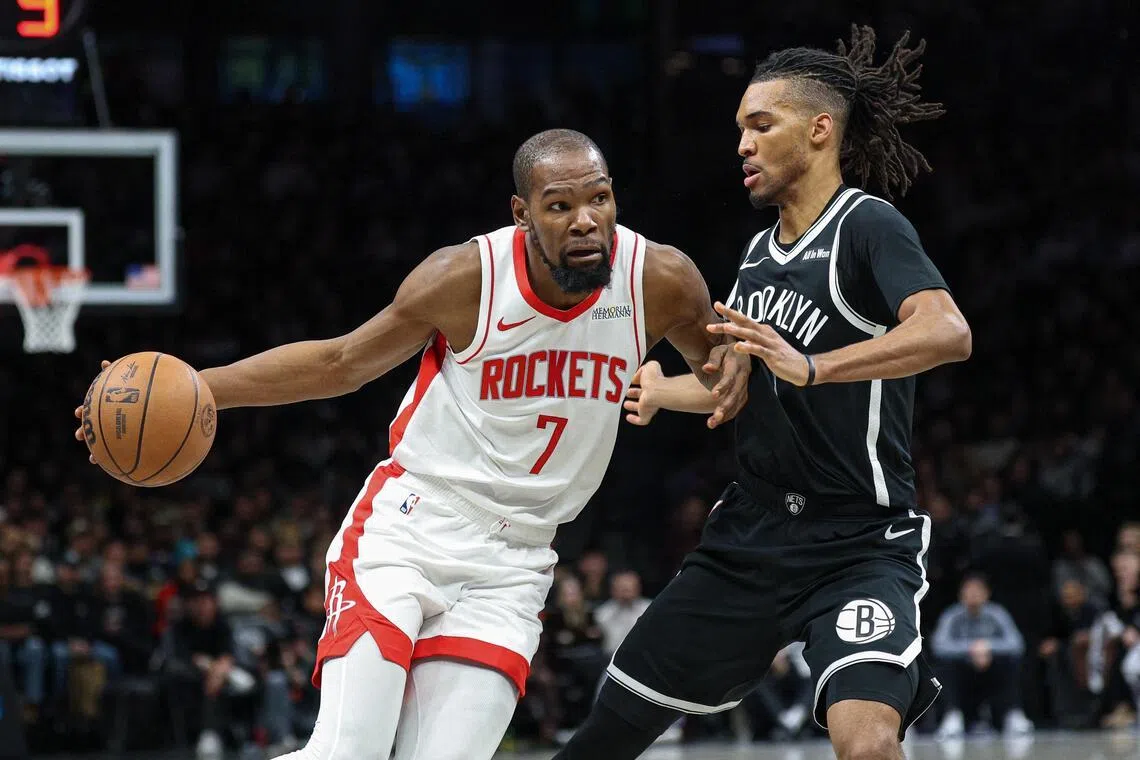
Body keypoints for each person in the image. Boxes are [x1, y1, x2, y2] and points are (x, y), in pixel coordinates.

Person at [74, 129, 748, 760]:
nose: (584, 221)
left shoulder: (659, 281)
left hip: (514, 564)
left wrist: (690, 388)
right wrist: (197, 388)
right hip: (410, 530)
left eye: (598, 199)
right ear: (521, 214)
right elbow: (340, 363)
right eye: (559, 205)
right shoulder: (467, 279)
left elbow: (729, 383)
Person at [556, 26, 971, 760]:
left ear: (818, 130)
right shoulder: (756, 254)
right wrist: (666, 392)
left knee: (867, 741)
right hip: (751, 536)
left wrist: (816, 366)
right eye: (739, 130)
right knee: (604, 735)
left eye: (760, 125)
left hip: (859, 542)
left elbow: (947, 332)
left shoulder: (867, 225)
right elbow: (744, 383)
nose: (742, 145)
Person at [931, 573, 1033, 737]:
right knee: (944, 665)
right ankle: (952, 716)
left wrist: (987, 647)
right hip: (962, 670)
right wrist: (972, 648)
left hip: (992, 668)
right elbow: (939, 646)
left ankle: (1013, 714)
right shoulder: (952, 615)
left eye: (977, 591)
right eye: (969, 591)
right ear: (960, 594)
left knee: (1012, 661)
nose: (973, 595)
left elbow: (1016, 644)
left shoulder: (997, 613)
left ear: (987, 593)